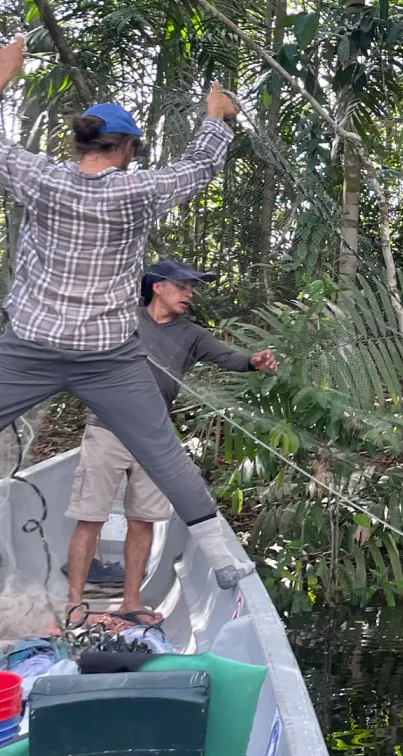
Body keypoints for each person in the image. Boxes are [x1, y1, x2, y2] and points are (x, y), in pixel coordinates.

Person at [0, 36, 252, 589]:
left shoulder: (39, 178)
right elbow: (200, 166)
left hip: (30, 347)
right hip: (106, 358)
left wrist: (3, 74)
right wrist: (216, 116)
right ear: (128, 149)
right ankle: (227, 562)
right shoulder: (136, 193)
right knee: (161, 452)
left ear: (81, 144)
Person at [65, 261, 278, 624]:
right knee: (90, 518)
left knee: (143, 519)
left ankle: (130, 602)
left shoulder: (191, 334)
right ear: (157, 287)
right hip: (108, 428)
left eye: (192, 287)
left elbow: (233, 360)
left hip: (154, 436)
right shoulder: (124, 319)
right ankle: (72, 605)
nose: (189, 293)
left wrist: (254, 362)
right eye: (182, 286)